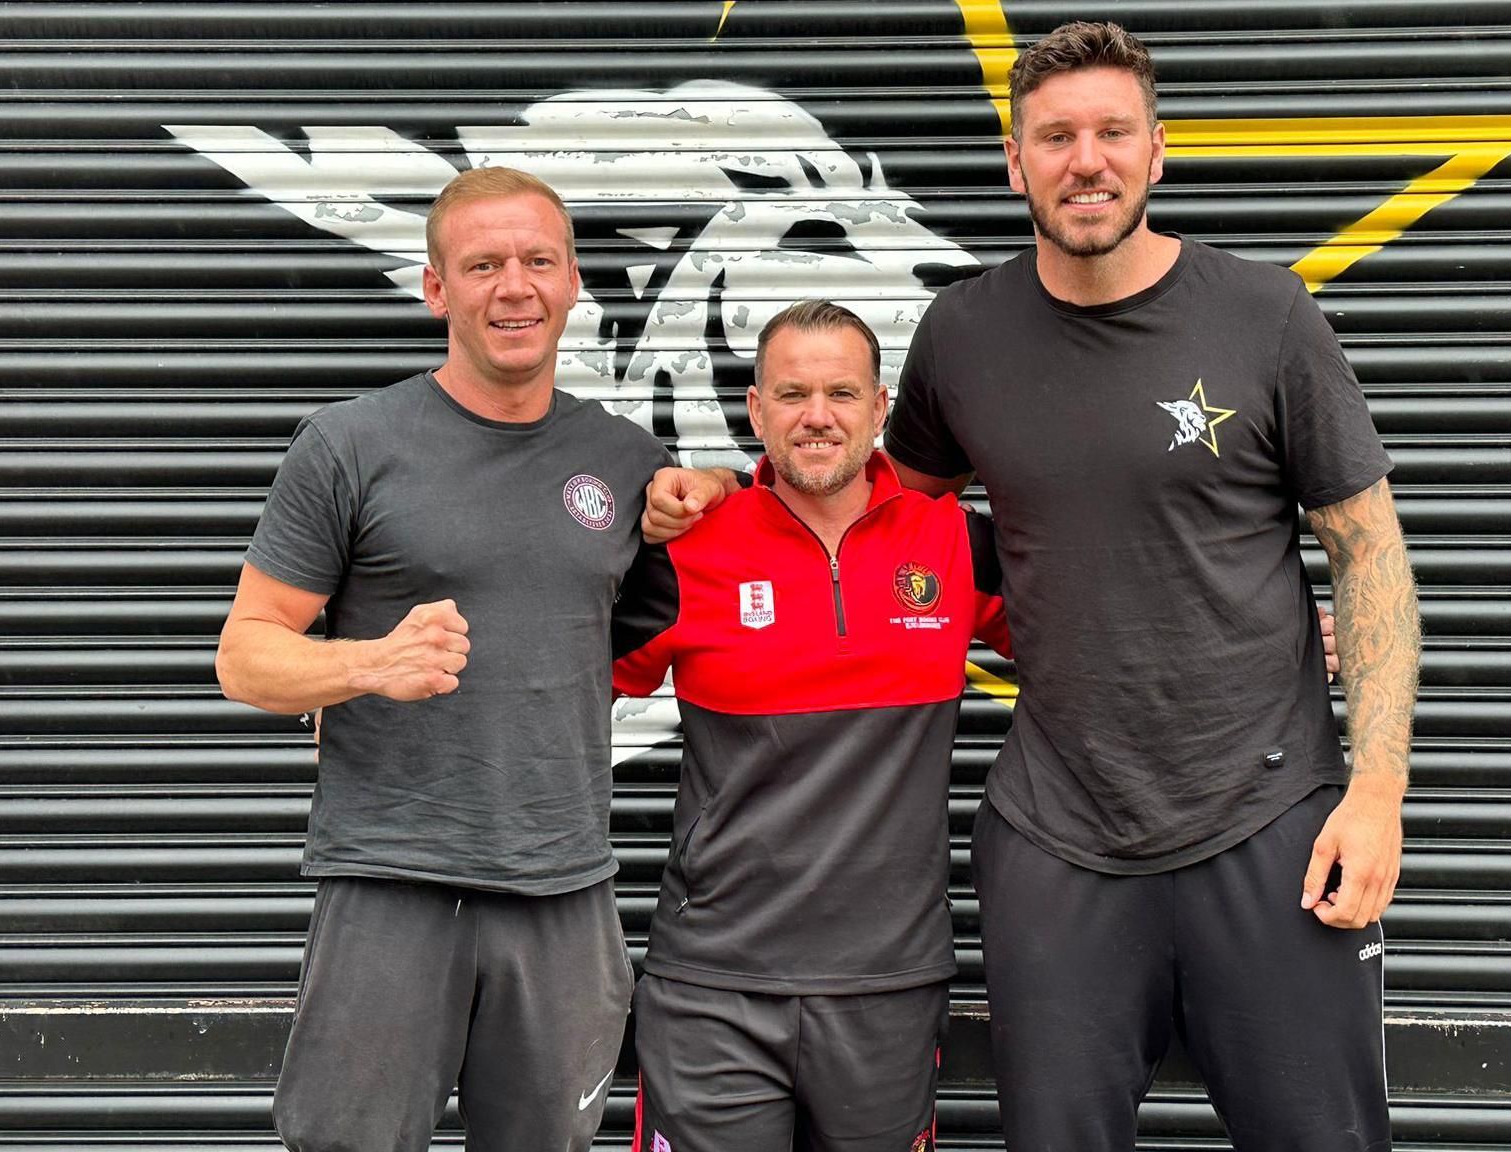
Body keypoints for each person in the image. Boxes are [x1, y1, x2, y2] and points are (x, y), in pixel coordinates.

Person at [646, 21, 1420, 1151]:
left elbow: (1367, 552)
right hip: (1055, 842)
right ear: (1015, 162)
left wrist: (1377, 793)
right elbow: (860, 508)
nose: (1084, 160)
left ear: (1158, 151)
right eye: (1054, 137)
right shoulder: (964, 334)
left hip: (1267, 821)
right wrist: (717, 487)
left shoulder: (1264, 316)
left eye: (1111, 132)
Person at [215, 166, 670, 1152]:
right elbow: (245, 658)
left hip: (564, 892)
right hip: (391, 885)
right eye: (482, 265)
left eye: (537, 260)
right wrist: (367, 665)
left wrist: (709, 489)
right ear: (435, 289)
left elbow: (657, 637)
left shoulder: (627, 459)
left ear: (572, 280)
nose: (514, 286)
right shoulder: (350, 444)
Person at [611, 300, 1009, 1152]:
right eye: (792, 394)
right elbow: (548, 686)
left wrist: (1271, 638)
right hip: (713, 985)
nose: (818, 417)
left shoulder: (954, 544)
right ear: (756, 410)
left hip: (888, 986)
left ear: (880, 407)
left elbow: (1116, 637)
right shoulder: (688, 549)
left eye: (841, 392)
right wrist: (379, 694)